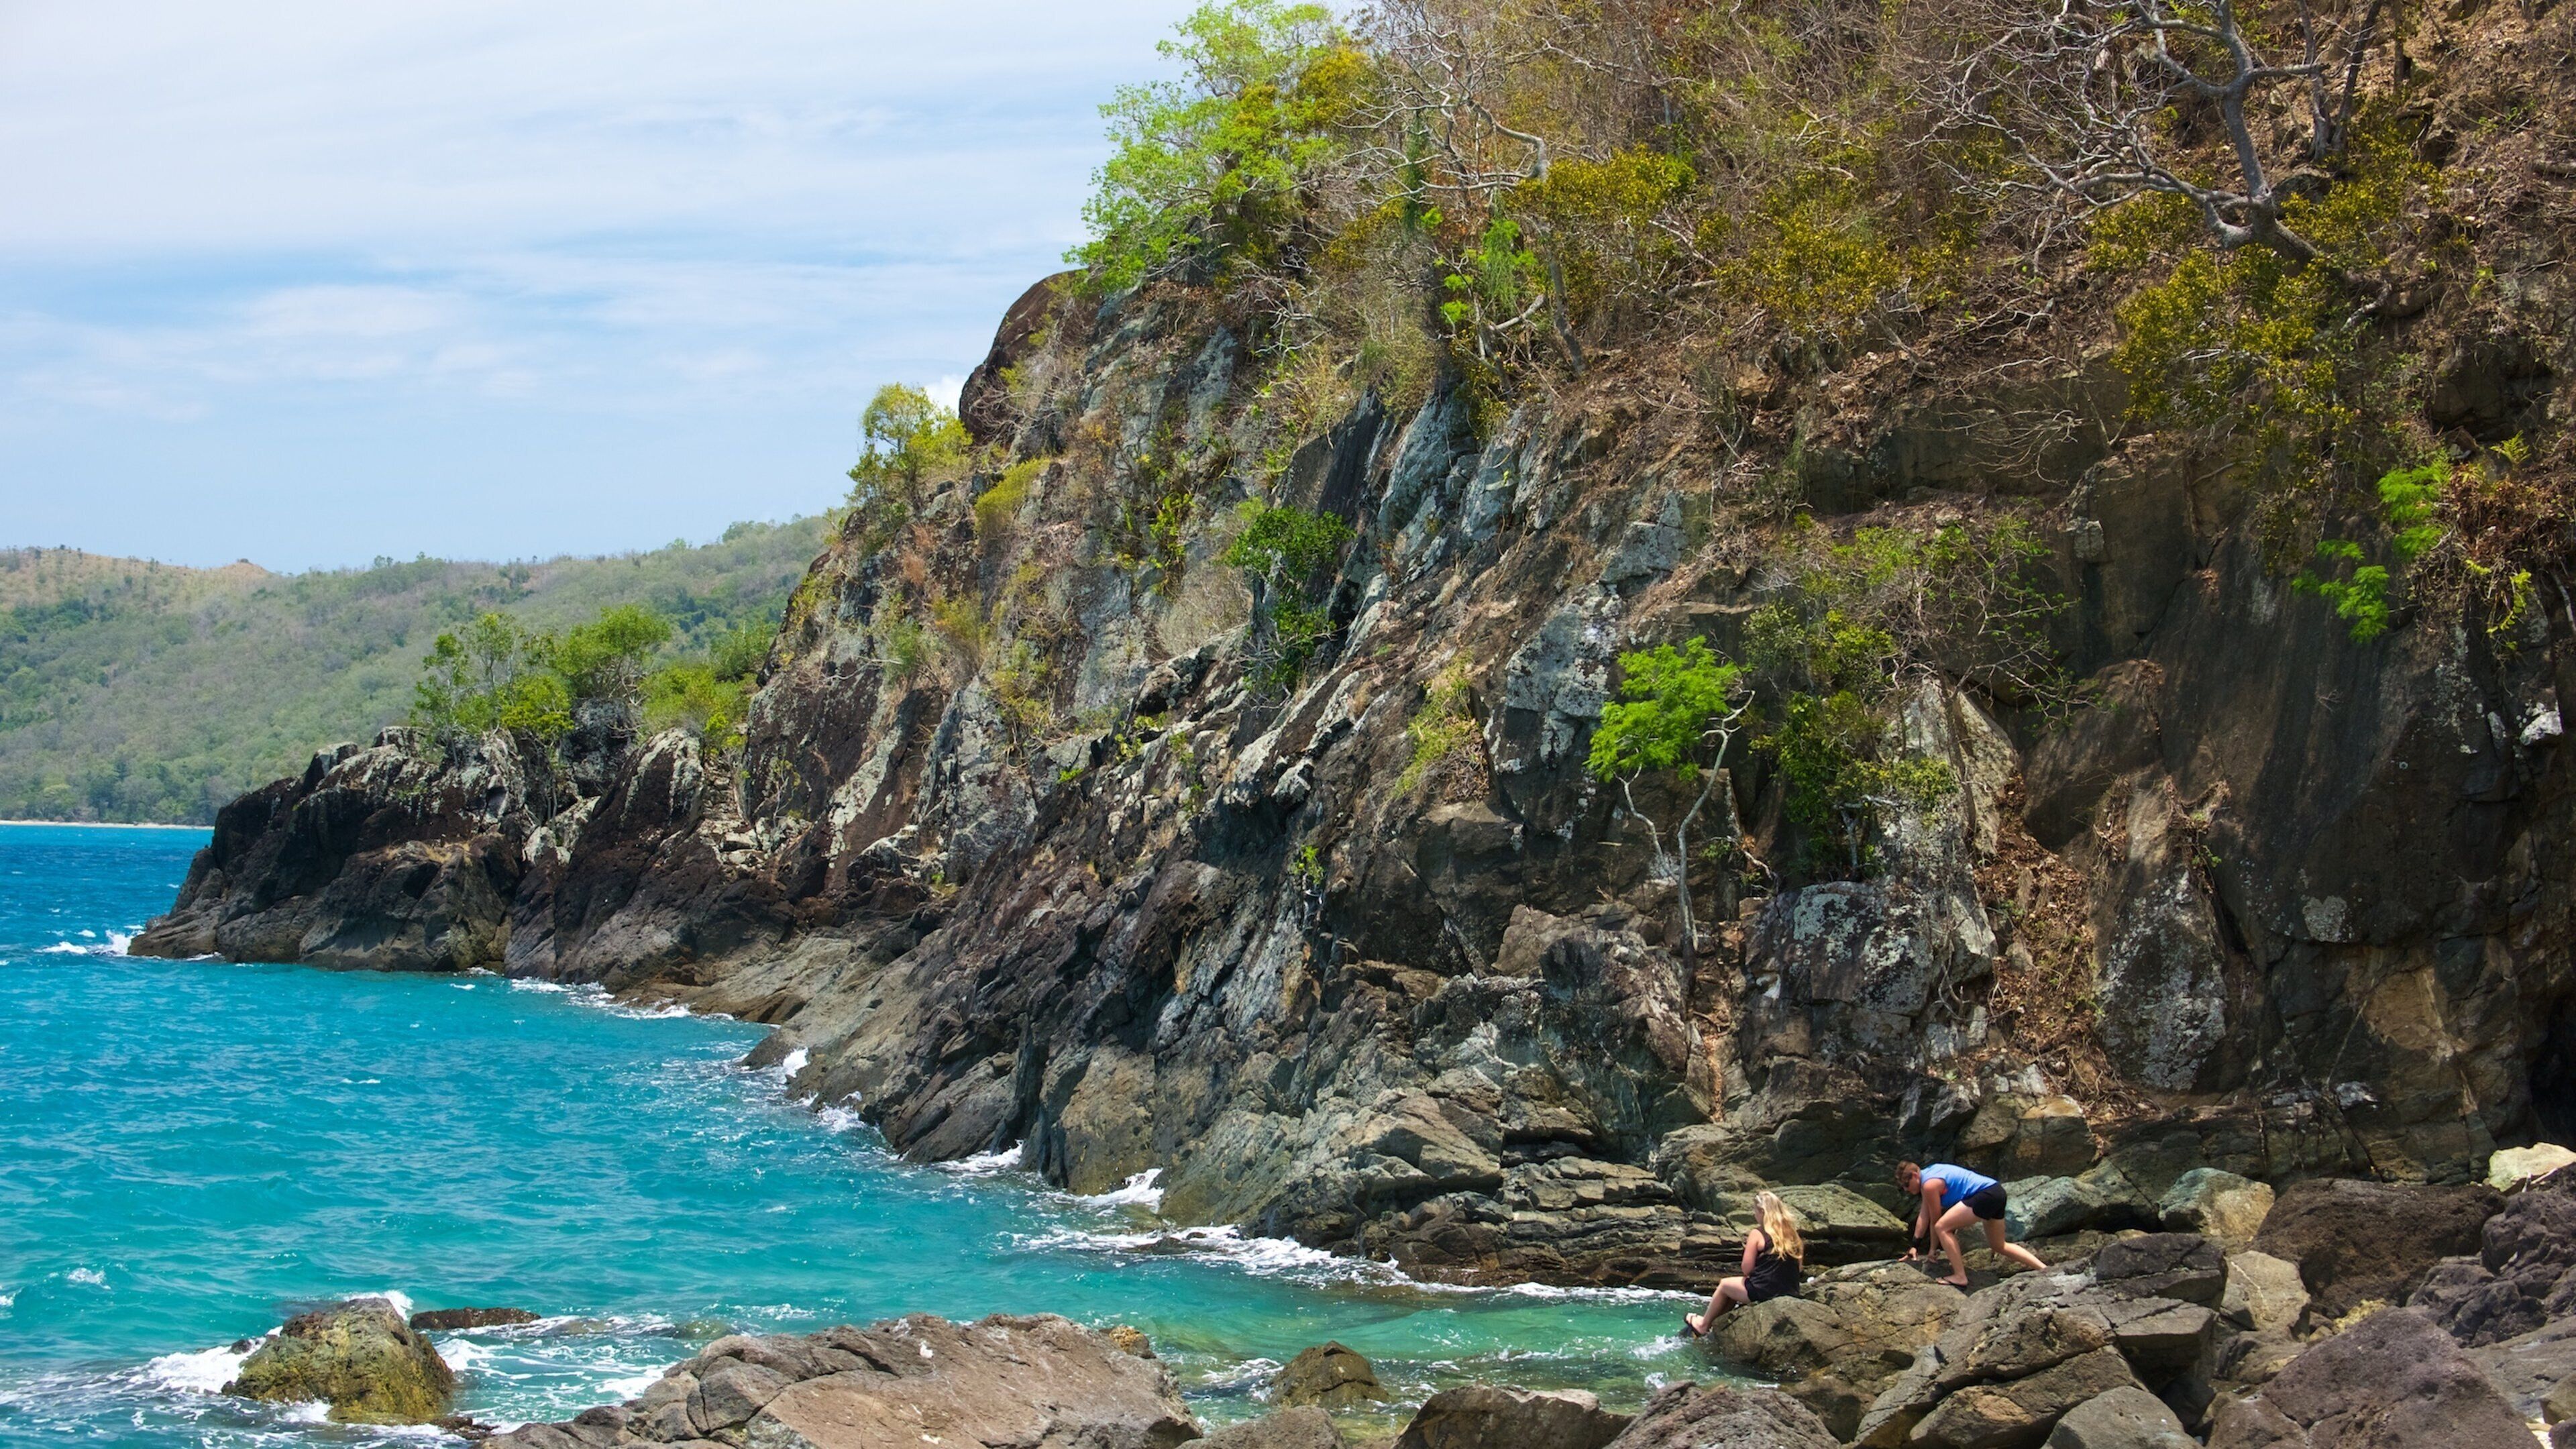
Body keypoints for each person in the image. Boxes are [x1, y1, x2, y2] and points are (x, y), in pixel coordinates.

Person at [1899, 1161, 2045, 1287]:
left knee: (1943, 1227)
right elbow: (1924, 1216)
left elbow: (1935, 1220)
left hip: (1984, 1195)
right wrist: (1915, 1245)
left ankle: (1960, 1277)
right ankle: (2045, 1269)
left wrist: (1932, 1250)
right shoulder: (1929, 1175)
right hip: (1997, 1192)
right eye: (1903, 1187)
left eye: (1907, 1184)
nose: (1906, 1189)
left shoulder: (1929, 1185)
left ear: (1915, 1175)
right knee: (1999, 1245)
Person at [1685, 1189, 1805, 1336]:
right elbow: (1799, 1269)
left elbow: (1746, 1269)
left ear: (1762, 1211)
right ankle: (1714, 1326)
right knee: (1733, 1289)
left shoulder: (1758, 1233)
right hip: (1790, 1291)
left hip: (1765, 1291)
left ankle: (1703, 1325)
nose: (1754, 1214)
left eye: (1755, 1211)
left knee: (1725, 1285)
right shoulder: (1793, 1235)